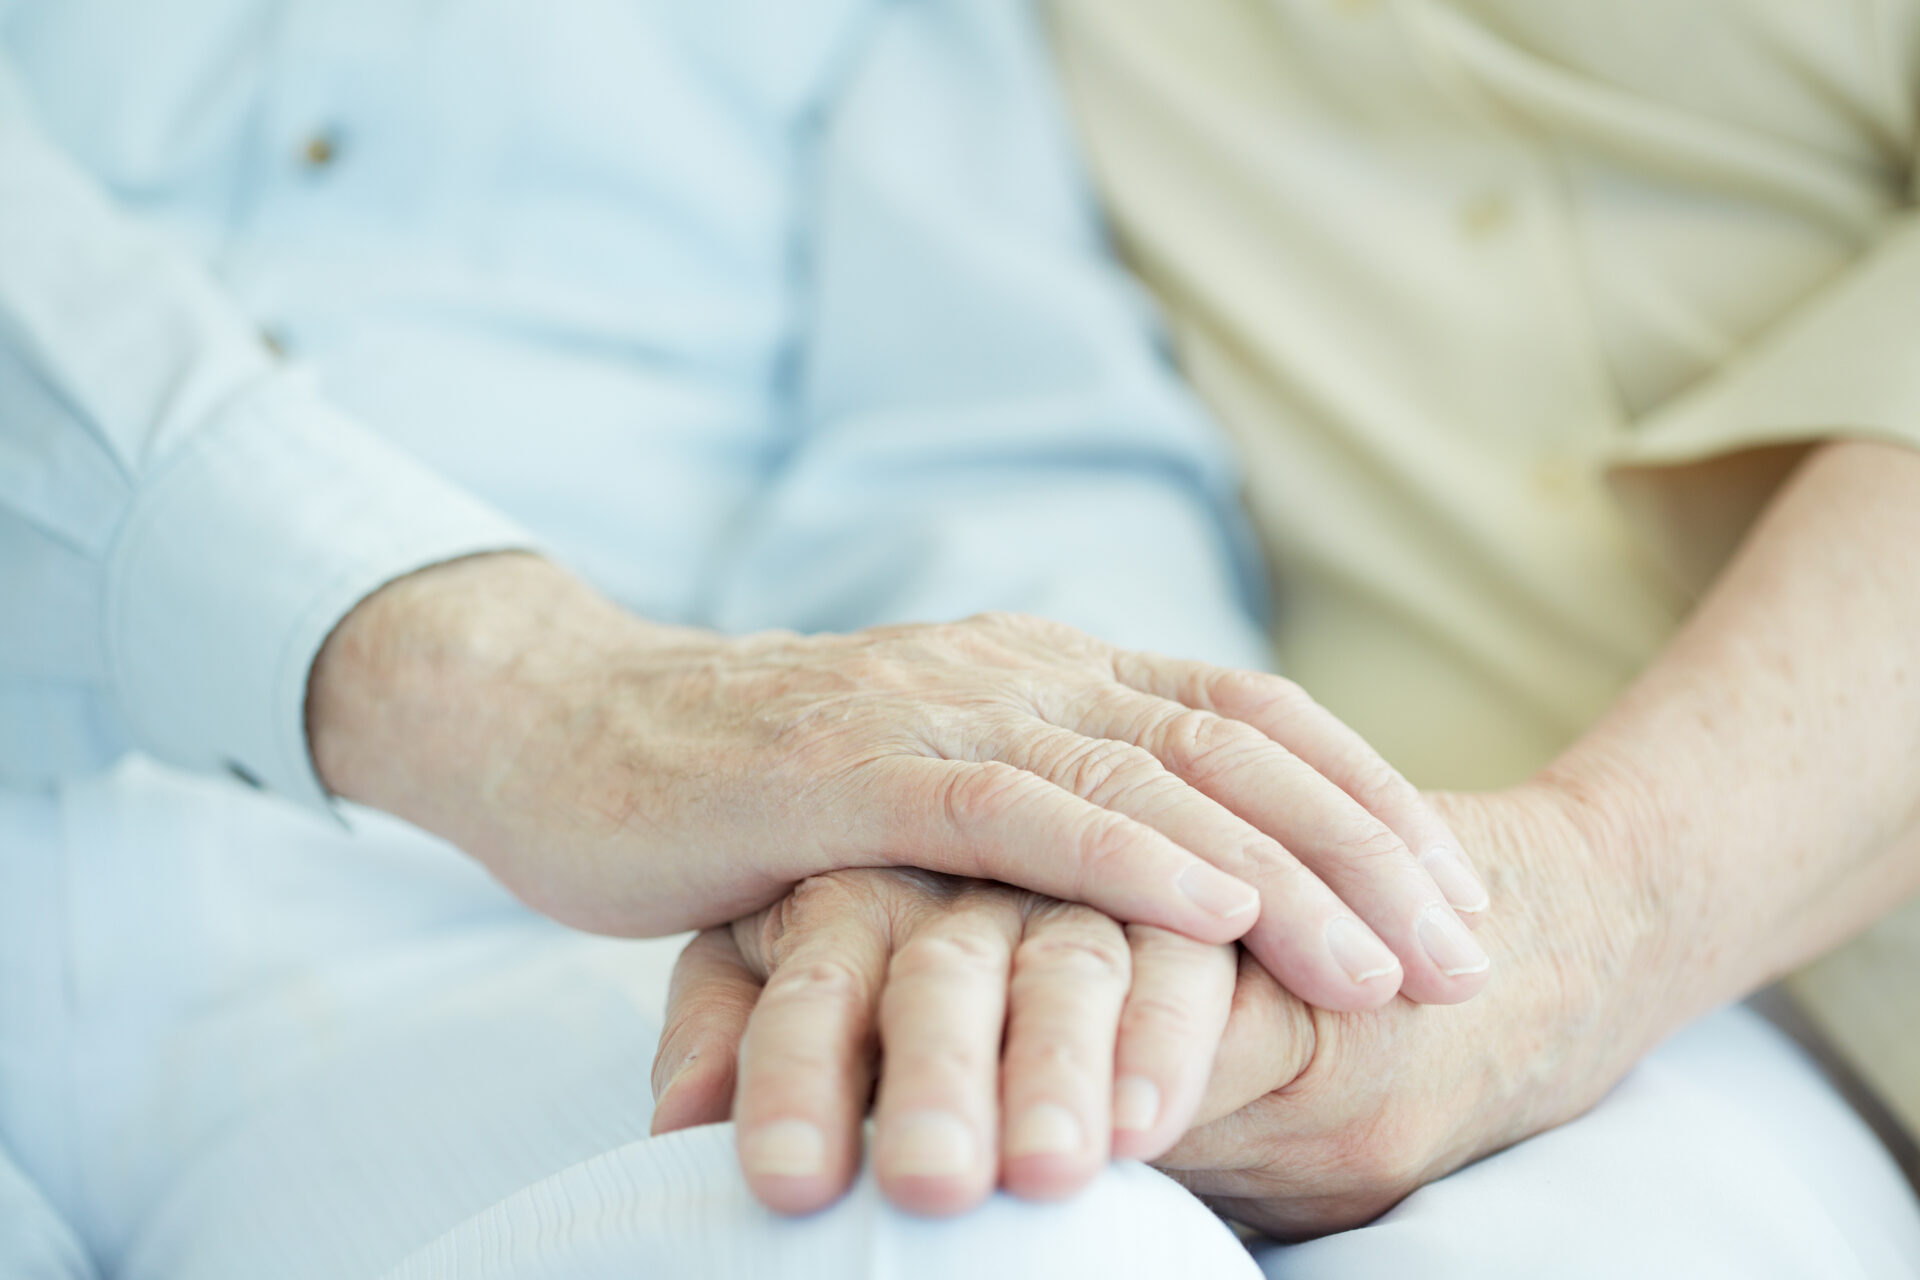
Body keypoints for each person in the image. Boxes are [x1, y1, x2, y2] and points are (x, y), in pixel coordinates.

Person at [1, 2, 1479, 1276]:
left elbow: (998, 444)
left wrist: (1026, 833)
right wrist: (514, 688)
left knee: (979, 1218)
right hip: (554, 763)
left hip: (517, 959)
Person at [654, 1, 1920, 1274]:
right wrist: (1024, 813)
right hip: (1349, 1014)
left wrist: (1598, 901)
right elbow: (1005, 432)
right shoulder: (960, 57)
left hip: (1543, 980)